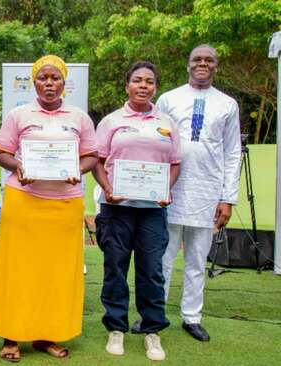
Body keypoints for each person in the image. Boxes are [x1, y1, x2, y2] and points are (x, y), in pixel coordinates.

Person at [0, 55, 97, 362]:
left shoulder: (79, 117)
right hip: (24, 201)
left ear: (64, 82)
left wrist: (77, 168)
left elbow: (91, 155)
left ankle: (47, 336)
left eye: (55, 78)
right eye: (43, 78)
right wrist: (19, 165)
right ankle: (12, 337)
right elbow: (1, 153)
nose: (49, 84)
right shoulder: (18, 114)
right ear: (34, 82)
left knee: (56, 273)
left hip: (65, 203)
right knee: (18, 270)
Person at [94, 61, 181, 361]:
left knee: (151, 271)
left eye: (150, 82)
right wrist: (107, 189)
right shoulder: (111, 121)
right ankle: (116, 327)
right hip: (116, 208)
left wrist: (166, 190)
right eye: (137, 80)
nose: (144, 86)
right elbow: (97, 160)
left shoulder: (167, 122)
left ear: (156, 87)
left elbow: (175, 163)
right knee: (115, 268)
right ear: (127, 85)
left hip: (152, 211)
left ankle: (152, 331)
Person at [156, 44, 241, 342]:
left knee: (196, 260)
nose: (202, 64)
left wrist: (228, 198)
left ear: (216, 66)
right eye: (197, 59)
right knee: (162, 257)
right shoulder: (168, 99)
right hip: (170, 189)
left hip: (208, 191)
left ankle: (191, 317)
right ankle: (156, 315)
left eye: (209, 60)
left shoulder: (227, 104)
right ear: (188, 64)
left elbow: (232, 153)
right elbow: (157, 142)